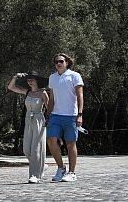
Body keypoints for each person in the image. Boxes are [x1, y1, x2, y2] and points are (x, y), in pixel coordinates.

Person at [46, 52, 84, 182]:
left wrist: (80, 114)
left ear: (67, 62)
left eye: (61, 61)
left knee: (70, 144)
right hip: (55, 115)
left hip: (71, 116)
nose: (58, 64)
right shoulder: (52, 77)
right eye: (56, 62)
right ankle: (61, 168)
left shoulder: (75, 76)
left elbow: (80, 96)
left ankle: (72, 173)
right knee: (51, 140)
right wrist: (48, 115)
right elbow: (51, 99)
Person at [7, 72, 50, 183]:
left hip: (39, 120)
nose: (30, 81)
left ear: (37, 81)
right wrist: (15, 77)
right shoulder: (27, 92)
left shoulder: (43, 93)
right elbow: (11, 87)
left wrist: (49, 121)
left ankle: (34, 175)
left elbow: (49, 108)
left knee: (36, 149)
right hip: (28, 120)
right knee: (26, 149)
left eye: (32, 79)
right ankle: (42, 165)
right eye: (28, 80)